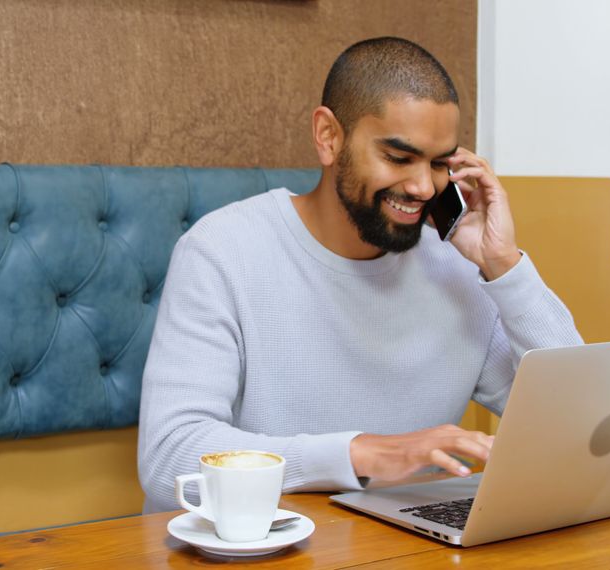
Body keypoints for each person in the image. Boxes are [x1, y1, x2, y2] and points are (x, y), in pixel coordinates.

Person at [137, 37, 583, 513]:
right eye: (398, 157)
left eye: (439, 163)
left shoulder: (459, 269)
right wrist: (359, 455)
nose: (422, 186)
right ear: (329, 136)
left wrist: (504, 266)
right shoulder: (222, 251)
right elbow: (170, 460)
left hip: (406, 552)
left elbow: (575, 421)